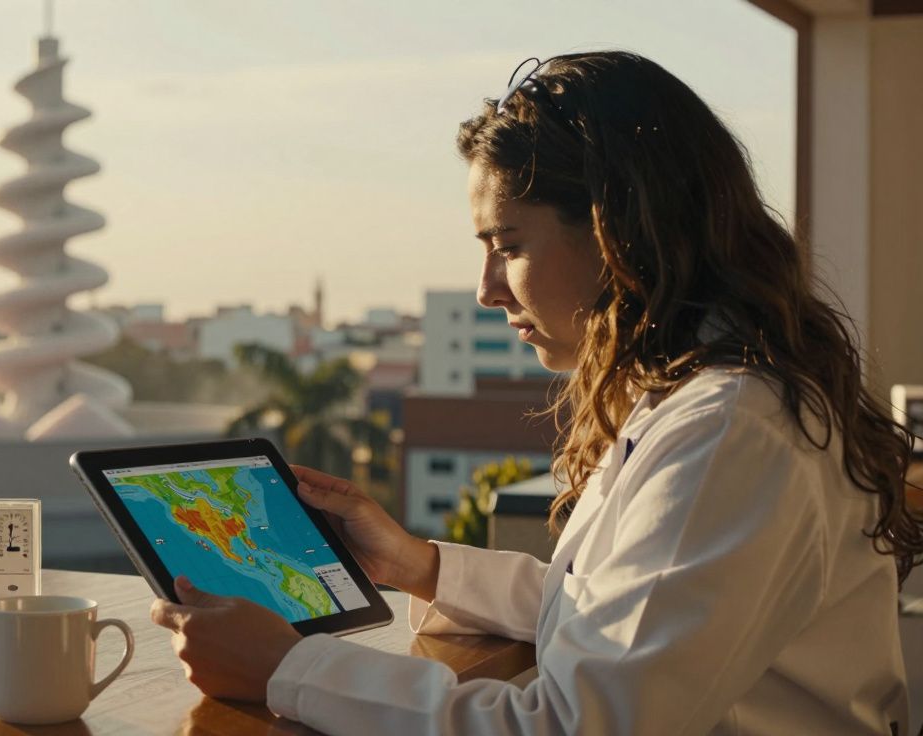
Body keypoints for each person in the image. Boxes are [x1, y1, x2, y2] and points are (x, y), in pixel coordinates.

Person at [151, 51, 921, 735]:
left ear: (619, 233)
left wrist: (291, 670)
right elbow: (623, 610)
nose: (487, 289)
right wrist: (420, 565)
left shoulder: (730, 428)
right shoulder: (707, 402)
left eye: (508, 246)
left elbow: (580, 722)